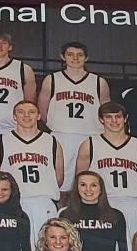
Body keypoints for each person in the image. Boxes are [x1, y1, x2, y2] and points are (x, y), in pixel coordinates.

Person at [37, 41, 110, 191]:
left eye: (80, 55)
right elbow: (42, 110)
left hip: (91, 135)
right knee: (61, 183)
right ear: (62, 57)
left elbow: (106, 112)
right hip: (61, 135)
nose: (75, 58)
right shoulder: (52, 80)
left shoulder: (98, 82)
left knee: (90, 182)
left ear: (86, 58)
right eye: (70, 54)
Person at [0, 100, 63, 249]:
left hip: (43, 204)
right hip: (14, 204)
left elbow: (59, 178)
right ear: (14, 116)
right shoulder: (0, 142)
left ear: (39, 116)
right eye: (21, 112)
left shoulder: (52, 142)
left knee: (45, 249)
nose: (26, 115)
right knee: (11, 248)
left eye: (31, 112)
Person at [76, 101, 137, 241]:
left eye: (118, 116)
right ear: (101, 119)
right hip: (104, 203)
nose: (114, 121)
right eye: (109, 117)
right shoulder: (89, 145)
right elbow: (81, 177)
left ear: (125, 118)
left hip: (132, 203)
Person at [58, 171, 128, 251]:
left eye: (93, 185)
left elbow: (124, 250)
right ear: (76, 188)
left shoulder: (116, 215)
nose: (88, 189)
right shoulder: (65, 214)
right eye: (83, 185)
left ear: (101, 189)